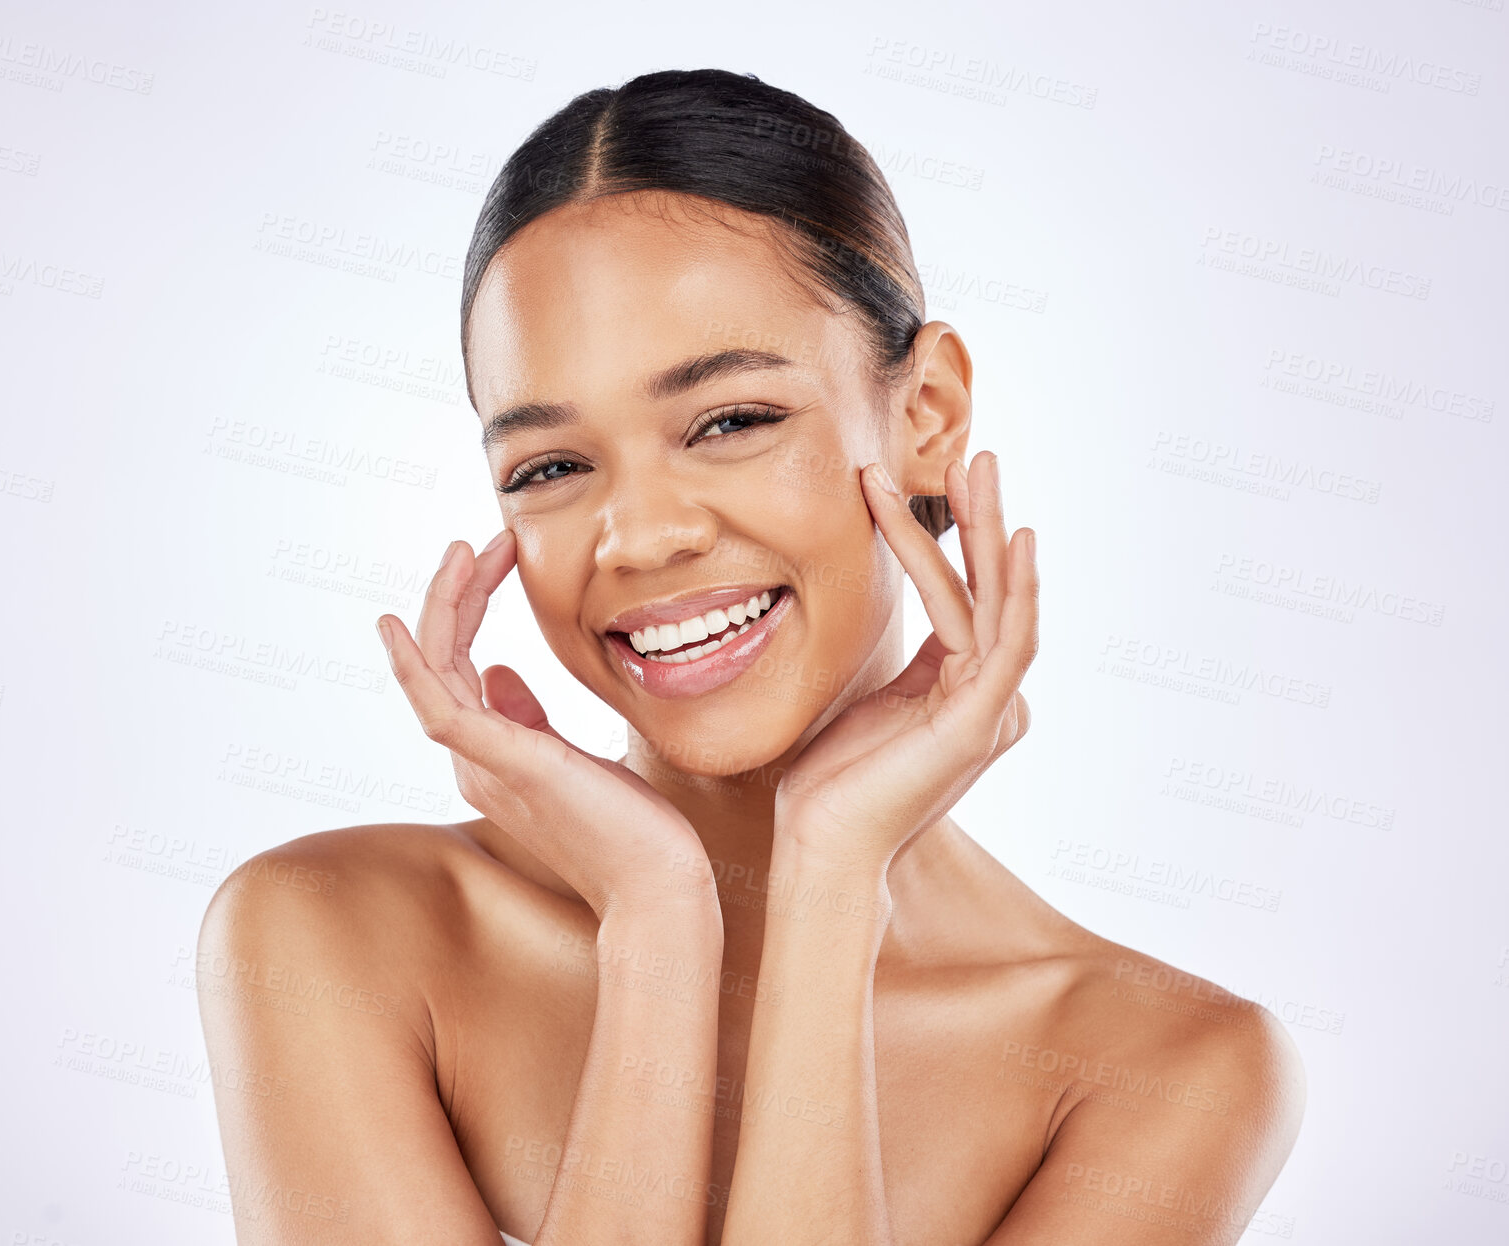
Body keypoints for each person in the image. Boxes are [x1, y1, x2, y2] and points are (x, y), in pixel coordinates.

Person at [197, 68, 1305, 1246]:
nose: (641, 534)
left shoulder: (1164, 1068)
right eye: (549, 468)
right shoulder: (330, 936)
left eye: (730, 421)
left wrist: (829, 888)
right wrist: (656, 922)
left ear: (923, 413)